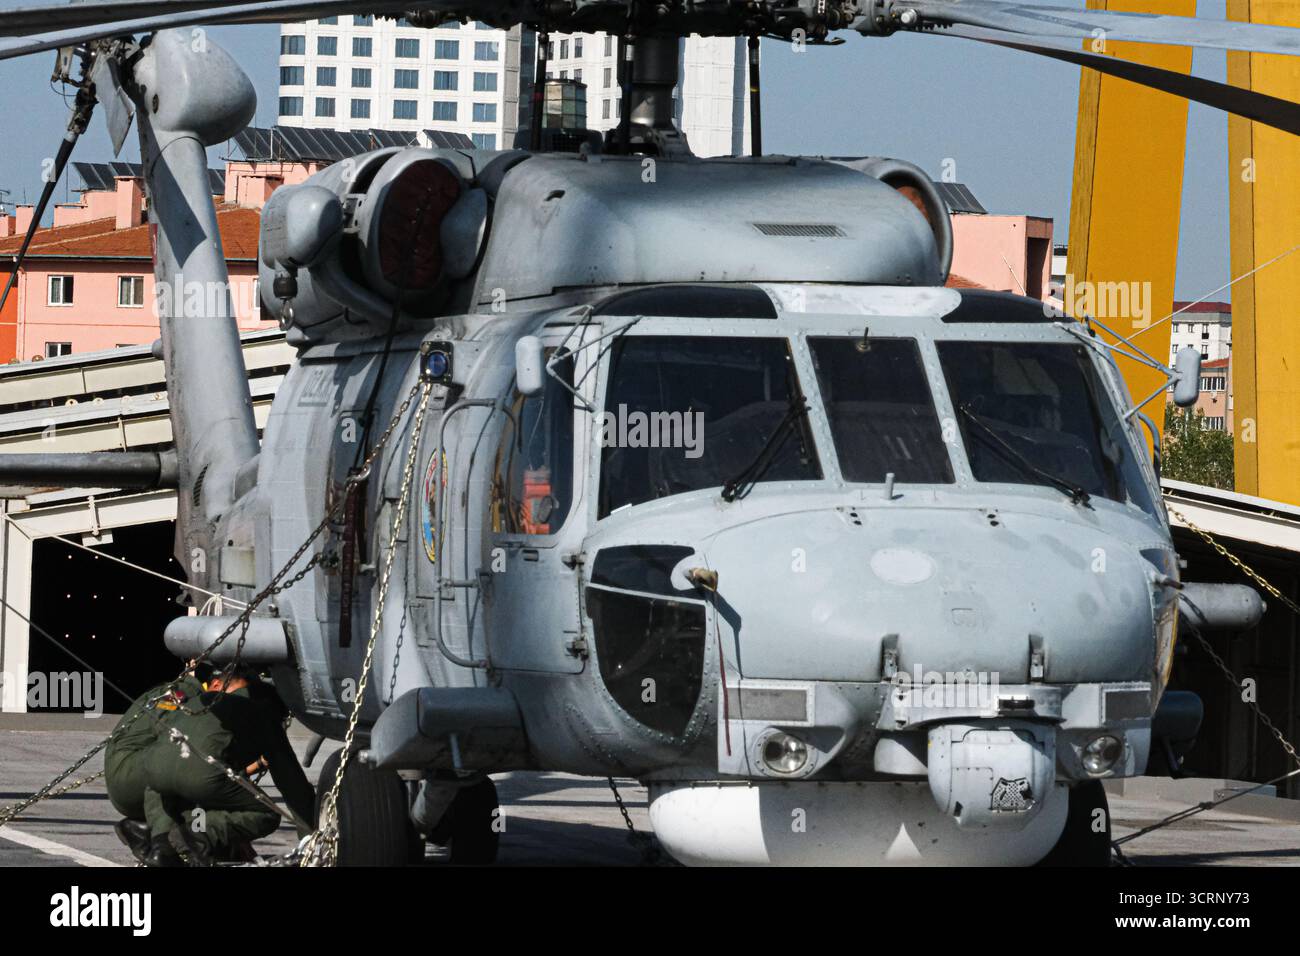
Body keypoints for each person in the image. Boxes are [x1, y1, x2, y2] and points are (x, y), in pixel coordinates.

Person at [138, 667, 315, 866]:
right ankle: (195, 836)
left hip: (153, 771)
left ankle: (160, 846)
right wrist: (311, 835)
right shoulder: (264, 713)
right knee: (266, 814)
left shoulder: (200, 702)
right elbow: (291, 782)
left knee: (178, 792)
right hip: (198, 776)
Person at [105, 665, 208, 862]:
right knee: (184, 764)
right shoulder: (180, 696)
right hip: (127, 777)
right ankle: (163, 844)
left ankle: (147, 830)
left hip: (133, 774)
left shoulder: (189, 693)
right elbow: (171, 749)